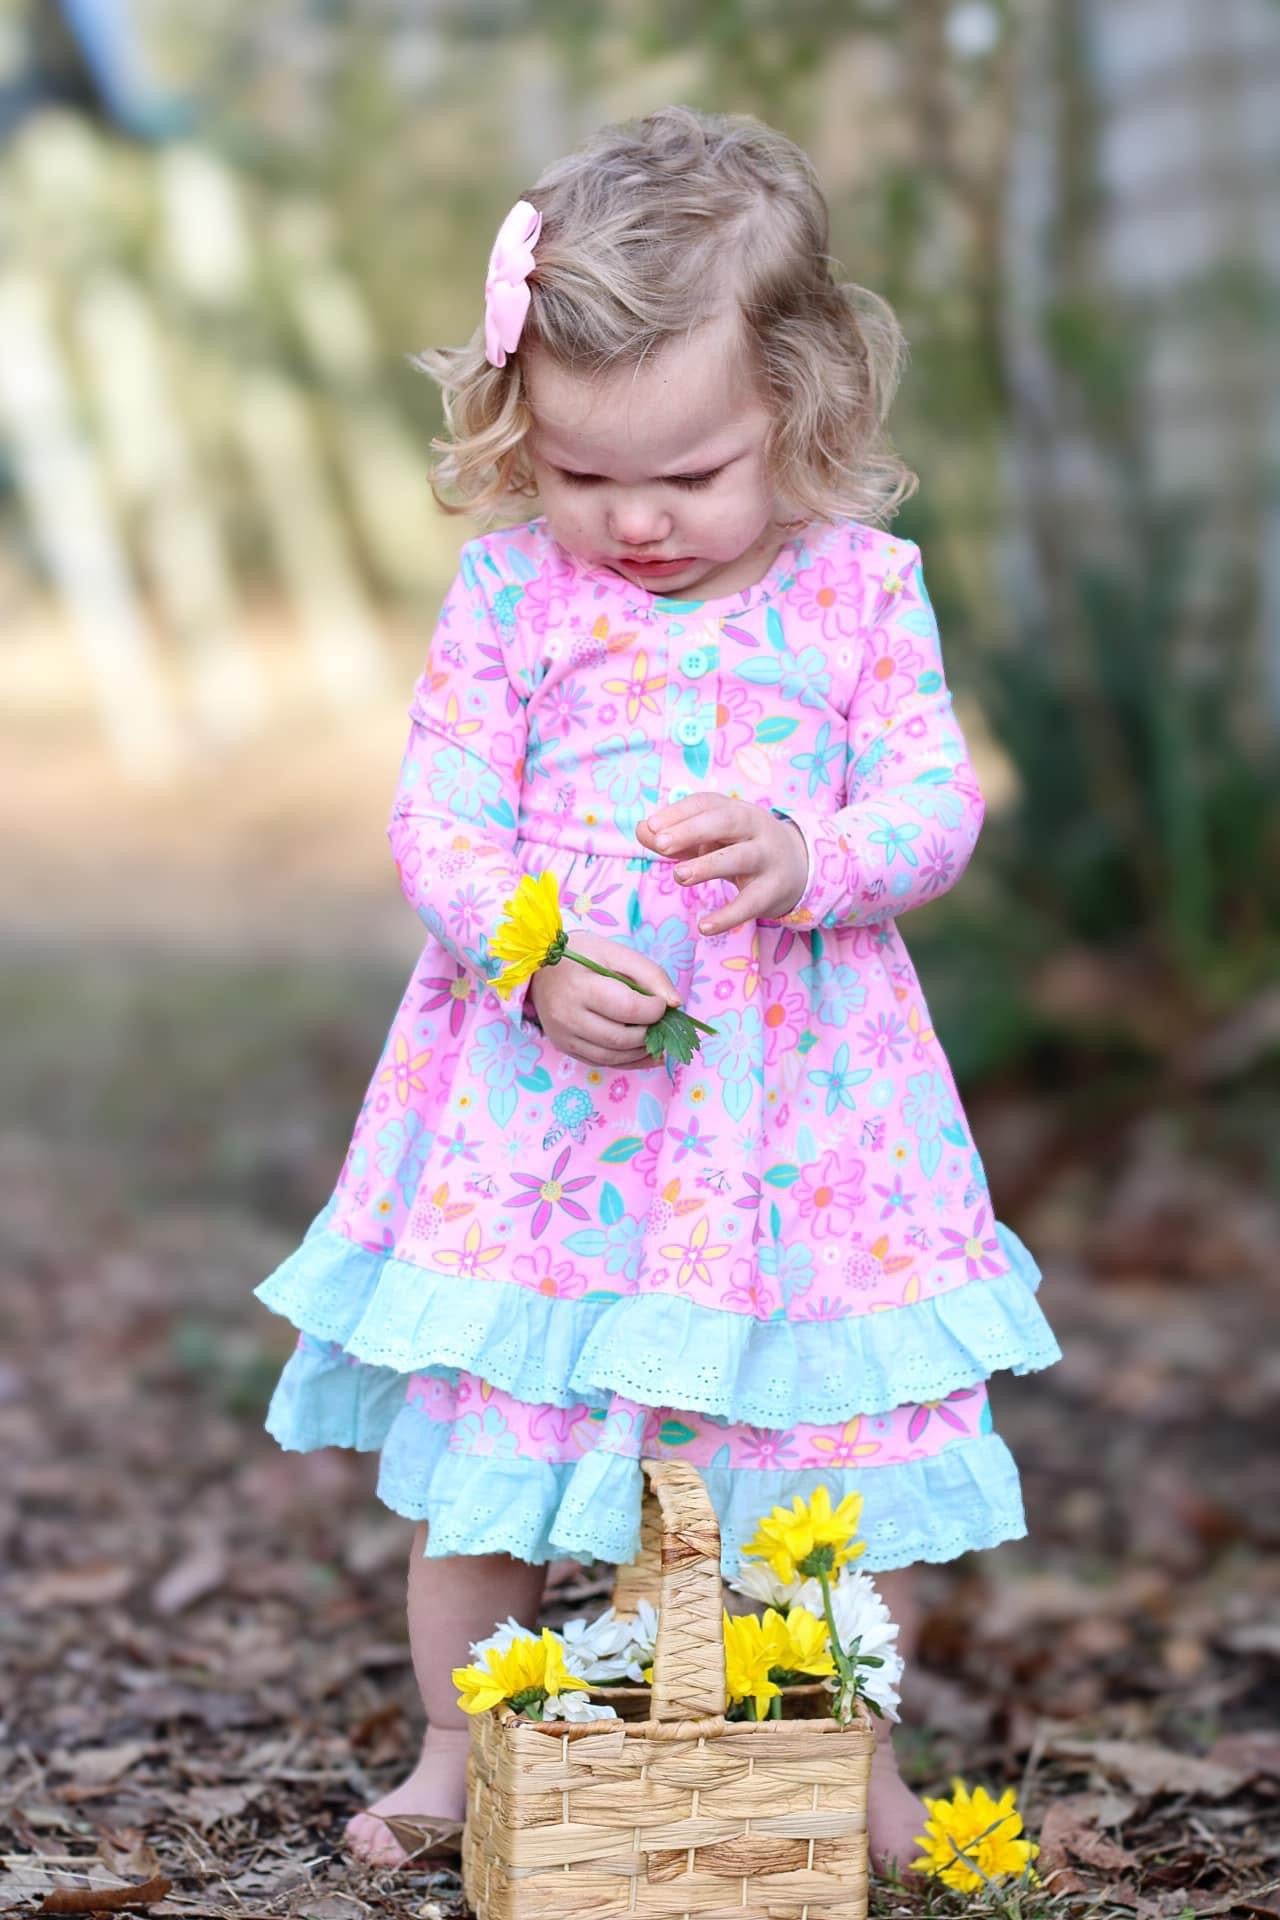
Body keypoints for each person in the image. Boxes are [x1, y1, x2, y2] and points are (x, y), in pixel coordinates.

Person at [254, 105, 1060, 1876]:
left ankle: (846, 1780)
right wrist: (526, 957)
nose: (630, 519)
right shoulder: (509, 599)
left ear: (806, 405)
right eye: (579, 470)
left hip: (801, 1125)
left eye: (688, 475)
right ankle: (462, 1766)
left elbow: (935, 804)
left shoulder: (863, 596)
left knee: (806, 1470)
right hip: (548, 1126)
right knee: (496, 1442)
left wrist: (808, 852)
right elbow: (442, 817)